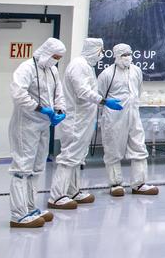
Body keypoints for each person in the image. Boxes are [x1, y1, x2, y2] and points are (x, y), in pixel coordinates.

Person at [49, 38, 117, 208]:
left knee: (77, 158)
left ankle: (73, 191)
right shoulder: (79, 65)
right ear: (94, 50)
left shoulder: (86, 66)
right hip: (75, 121)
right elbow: (82, 91)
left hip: (83, 120)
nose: (102, 55)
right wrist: (103, 101)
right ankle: (56, 196)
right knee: (69, 157)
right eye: (100, 51)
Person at [8, 37, 67, 227]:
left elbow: (58, 93)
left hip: (43, 125)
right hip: (26, 124)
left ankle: (30, 208)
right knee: (22, 168)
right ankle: (18, 214)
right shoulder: (26, 68)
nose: (55, 60)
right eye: (54, 56)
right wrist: (39, 108)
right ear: (46, 52)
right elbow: (18, 94)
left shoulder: (52, 70)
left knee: (36, 168)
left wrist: (59, 110)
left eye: (58, 57)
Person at [96, 44, 157, 197]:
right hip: (114, 118)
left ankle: (139, 183)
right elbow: (99, 96)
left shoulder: (136, 71)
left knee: (139, 146)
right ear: (116, 56)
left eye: (129, 54)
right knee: (113, 149)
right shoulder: (106, 74)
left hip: (133, 114)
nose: (127, 57)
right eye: (123, 55)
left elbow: (138, 90)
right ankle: (115, 184)